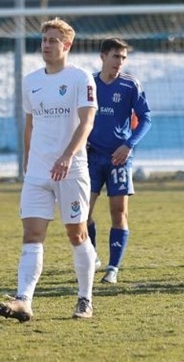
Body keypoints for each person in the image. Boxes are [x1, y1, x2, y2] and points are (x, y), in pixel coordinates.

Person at [0, 18, 98, 323]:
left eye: (53, 40)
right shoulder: (31, 81)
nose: (46, 45)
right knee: (32, 234)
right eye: (44, 39)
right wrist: (29, 162)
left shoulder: (81, 78)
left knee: (76, 233)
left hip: (71, 170)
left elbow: (87, 123)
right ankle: (24, 301)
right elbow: (30, 125)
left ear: (66, 45)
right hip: (39, 172)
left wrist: (68, 155)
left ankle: (85, 299)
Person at [86, 37, 152, 285]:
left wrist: (128, 144)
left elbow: (146, 118)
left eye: (123, 58)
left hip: (119, 159)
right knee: (83, 213)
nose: (120, 62)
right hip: (91, 157)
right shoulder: (88, 84)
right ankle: (91, 256)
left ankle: (113, 267)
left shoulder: (130, 84)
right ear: (103, 56)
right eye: (116, 56)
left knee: (119, 212)